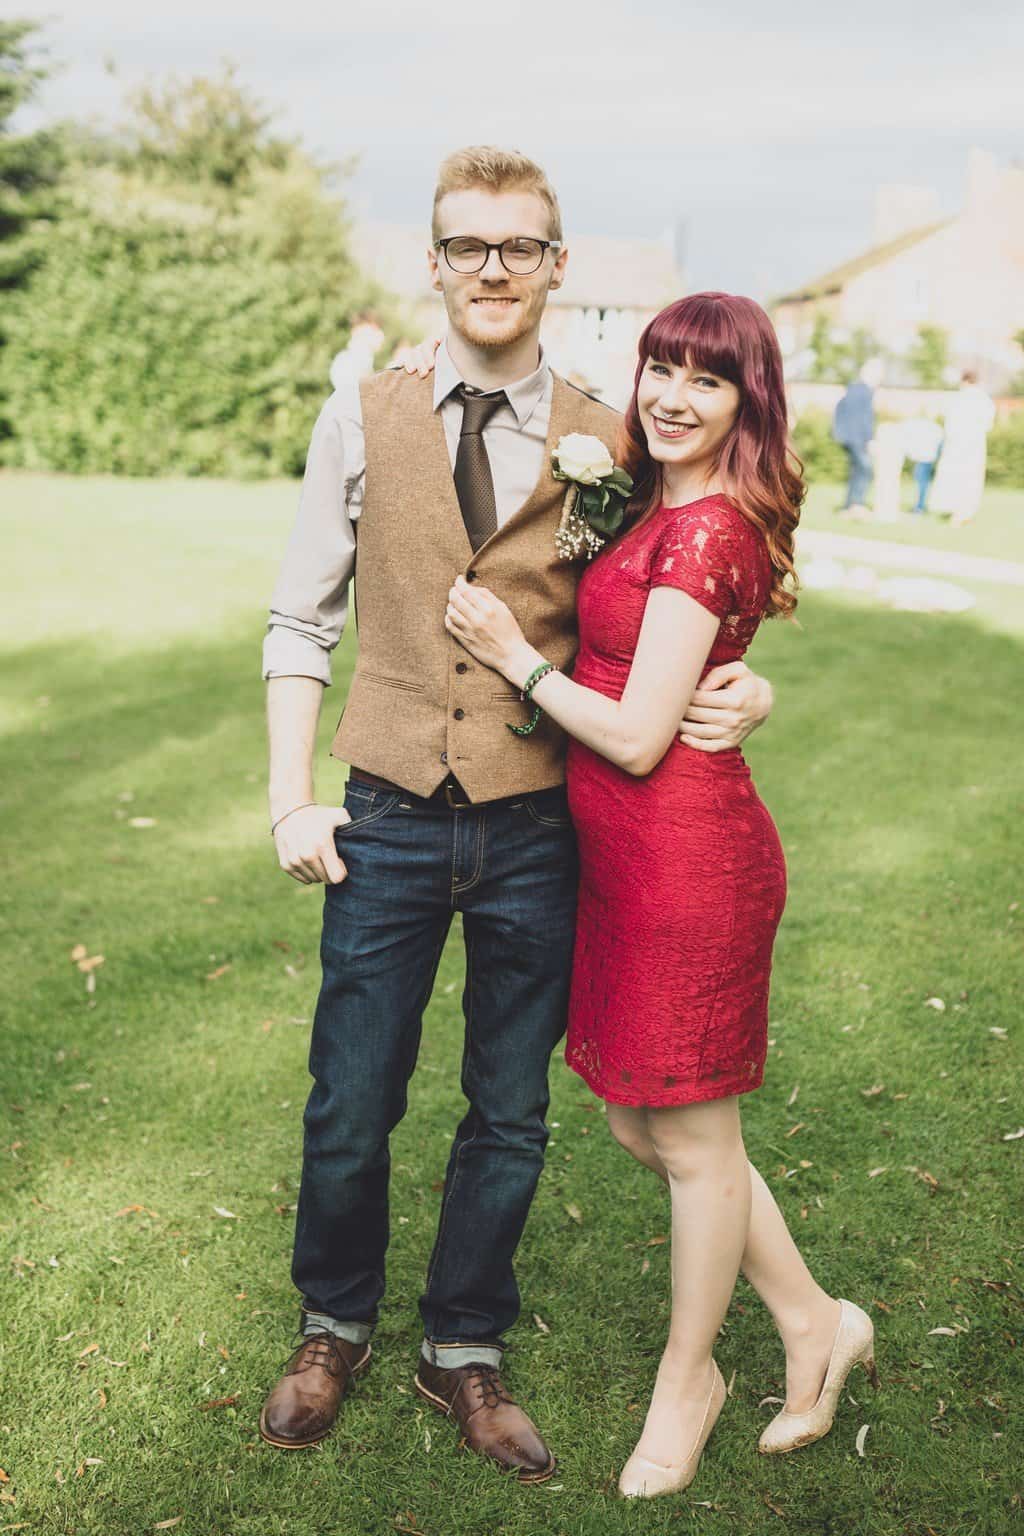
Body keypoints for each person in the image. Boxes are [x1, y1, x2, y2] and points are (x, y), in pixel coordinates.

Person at [258, 148, 774, 1479]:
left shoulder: (618, 434)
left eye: (519, 247)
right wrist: (289, 798)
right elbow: (299, 621)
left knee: (509, 1107)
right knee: (351, 1096)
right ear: (433, 262)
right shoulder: (358, 416)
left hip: (543, 822)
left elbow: (691, 576)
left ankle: (464, 1345)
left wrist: (752, 683)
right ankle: (331, 1324)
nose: (493, 269)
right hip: (383, 811)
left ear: (555, 265)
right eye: (468, 246)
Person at [446, 292, 877, 1499]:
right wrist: (748, 681)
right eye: (661, 369)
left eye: (707, 379)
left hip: (689, 864)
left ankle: (690, 1380)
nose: (673, 398)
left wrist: (513, 658)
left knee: (690, 1139)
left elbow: (639, 737)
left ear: (748, 402)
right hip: (625, 865)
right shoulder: (649, 500)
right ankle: (813, 1319)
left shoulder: (703, 533)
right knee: (648, 1126)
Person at [929, 369, 996, 526]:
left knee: (955, 476)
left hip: (957, 443)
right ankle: (965, 511)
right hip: (975, 444)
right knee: (971, 478)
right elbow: (988, 425)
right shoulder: (984, 400)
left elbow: (949, 424)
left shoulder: (957, 398)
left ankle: (956, 511)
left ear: (964, 381)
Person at [832, 358, 883, 517]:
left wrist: (839, 432)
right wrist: (870, 439)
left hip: (849, 437)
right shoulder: (864, 390)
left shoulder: (853, 389)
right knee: (865, 469)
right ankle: (857, 505)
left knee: (857, 470)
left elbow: (839, 409)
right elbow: (865, 418)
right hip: (857, 438)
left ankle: (849, 506)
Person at [902, 414, 944, 514]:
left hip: (925, 459)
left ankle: (919, 507)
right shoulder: (936, 428)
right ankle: (919, 506)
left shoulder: (932, 428)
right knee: (922, 483)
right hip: (927, 458)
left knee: (922, 483)